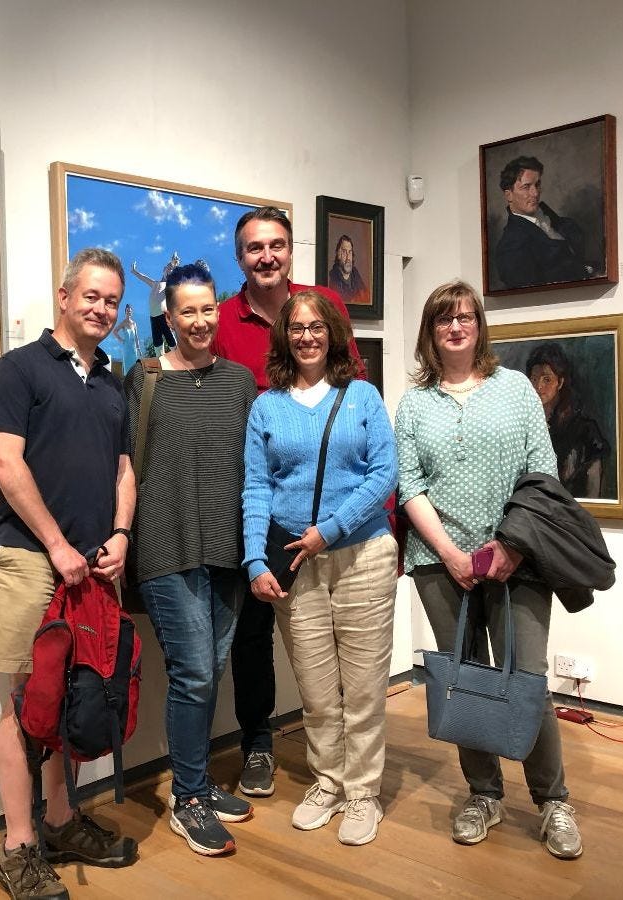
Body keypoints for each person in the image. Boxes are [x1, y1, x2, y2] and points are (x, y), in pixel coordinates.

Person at [395, 280, 583, 860]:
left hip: (518, 561)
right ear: (430, 332)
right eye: (443, 319)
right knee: (465, 677)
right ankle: (483, 793)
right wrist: (452, 554)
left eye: (465, 317)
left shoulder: (516, 388)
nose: (455, 327)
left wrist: (511, 546)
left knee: (527, 679)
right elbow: (410, 485)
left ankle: (553, 801)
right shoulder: (414, 403)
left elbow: (542, 473)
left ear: (479, 326)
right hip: (439, 564)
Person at [0, 248, 139, 899]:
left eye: (111, 300)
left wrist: (121, 534)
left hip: (94, 568)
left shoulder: (112, 383)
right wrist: (56, 544)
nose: (101, 308)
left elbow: (124, 470)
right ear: (64, 297)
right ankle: (17, 847)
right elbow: (5, 463)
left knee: (72, 696)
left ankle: (62, 822)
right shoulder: (19, 369)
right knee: (25, 702)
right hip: (29, 559)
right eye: (90, 295)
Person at [210, 206, 361, 799]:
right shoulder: (222, 320)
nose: (266, 256)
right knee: (253, 634)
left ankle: (344, 751)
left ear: (291, 251)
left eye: (276, 245)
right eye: (254, 248)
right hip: (255, 503)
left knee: (336, 630)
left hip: (329, 508)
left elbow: (353, 393)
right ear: (239, 257)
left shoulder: (323, 306)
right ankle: (257, 742)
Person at [242, 291, 397, 845]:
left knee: (364, 688)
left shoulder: (362, 396)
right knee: (316, 689)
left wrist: (329, 530)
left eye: (316, 327)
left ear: (333, 333)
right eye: (296, 328)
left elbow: (385, 474)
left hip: (363, 557)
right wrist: (254, 558)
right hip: (294, 562)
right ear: (284, 338)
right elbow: (256, 487)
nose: (306, 336)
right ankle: (328, 782)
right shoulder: (267, 407)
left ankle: (363, 793)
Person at [124, 262, 256, 856]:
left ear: (217, 312)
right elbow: (125, 465)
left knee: (210, 671)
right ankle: (188, 799)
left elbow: (254, 466)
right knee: (196, 672)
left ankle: (197, 783)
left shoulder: (239, 382)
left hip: (227, 549)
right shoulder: (146, 378)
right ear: (170, 316)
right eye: (187, 311)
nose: (199, 321)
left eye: (208, 309)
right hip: (165, 543)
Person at [495, 156, 593, 290]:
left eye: (537, 185)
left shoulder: (553, 219)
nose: (535, 193)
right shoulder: (511, 245)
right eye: (526, 187)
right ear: (509, 195)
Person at [526, 341, 610, 499]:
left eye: (546, 379)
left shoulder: (584, 431)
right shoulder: (524, 427)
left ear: (560, 382)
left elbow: (592, 494)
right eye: (534, 379)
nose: (538, 387)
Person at [131, 255, 178, 355]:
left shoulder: (169, 285)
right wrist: (134, 271)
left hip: (163, 316)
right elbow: (143, 278)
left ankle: (179, 360)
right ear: (164, 269)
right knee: (157, 346)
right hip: (153, 318)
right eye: (168, 268)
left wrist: (173, 264)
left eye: (171, 270)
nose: (169, 270)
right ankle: (161, 362)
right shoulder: (154, 283)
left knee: (172, 342)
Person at [327, 234, 369, 306]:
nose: (348, 257)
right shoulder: (332, 278)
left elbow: (366, 297)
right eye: (344, 252)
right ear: (338, 254)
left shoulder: (355, 274)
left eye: (350, 252)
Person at [112, 303, 142, 372]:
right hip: (126, 348)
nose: (129, 312)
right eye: (128, 311)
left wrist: (138, 348)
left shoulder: (134, 323)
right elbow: (114, 331)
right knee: (127, 366)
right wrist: (121, 340)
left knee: (134, 366)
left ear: (132, 312)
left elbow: (136, 337)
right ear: (125, 312)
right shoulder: (123, 322)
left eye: (130, 311)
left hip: (133, 348)